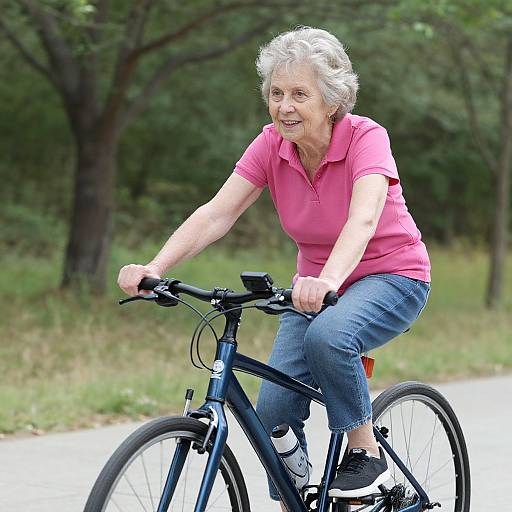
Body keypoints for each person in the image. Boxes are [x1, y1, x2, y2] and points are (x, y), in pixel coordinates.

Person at [118, 27, 431, 506]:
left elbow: (363, 218)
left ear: (331, 101)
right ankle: (301, 493)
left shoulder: (366, 138)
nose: (285, 105)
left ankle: (366, 455)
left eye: (300, 94)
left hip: (392, 276)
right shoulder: (270, 146)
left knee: (329, 336)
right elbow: (217, 213)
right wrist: (154, 265)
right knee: (273, 413)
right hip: (314, 287)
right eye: (277, 93)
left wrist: (328, 280)